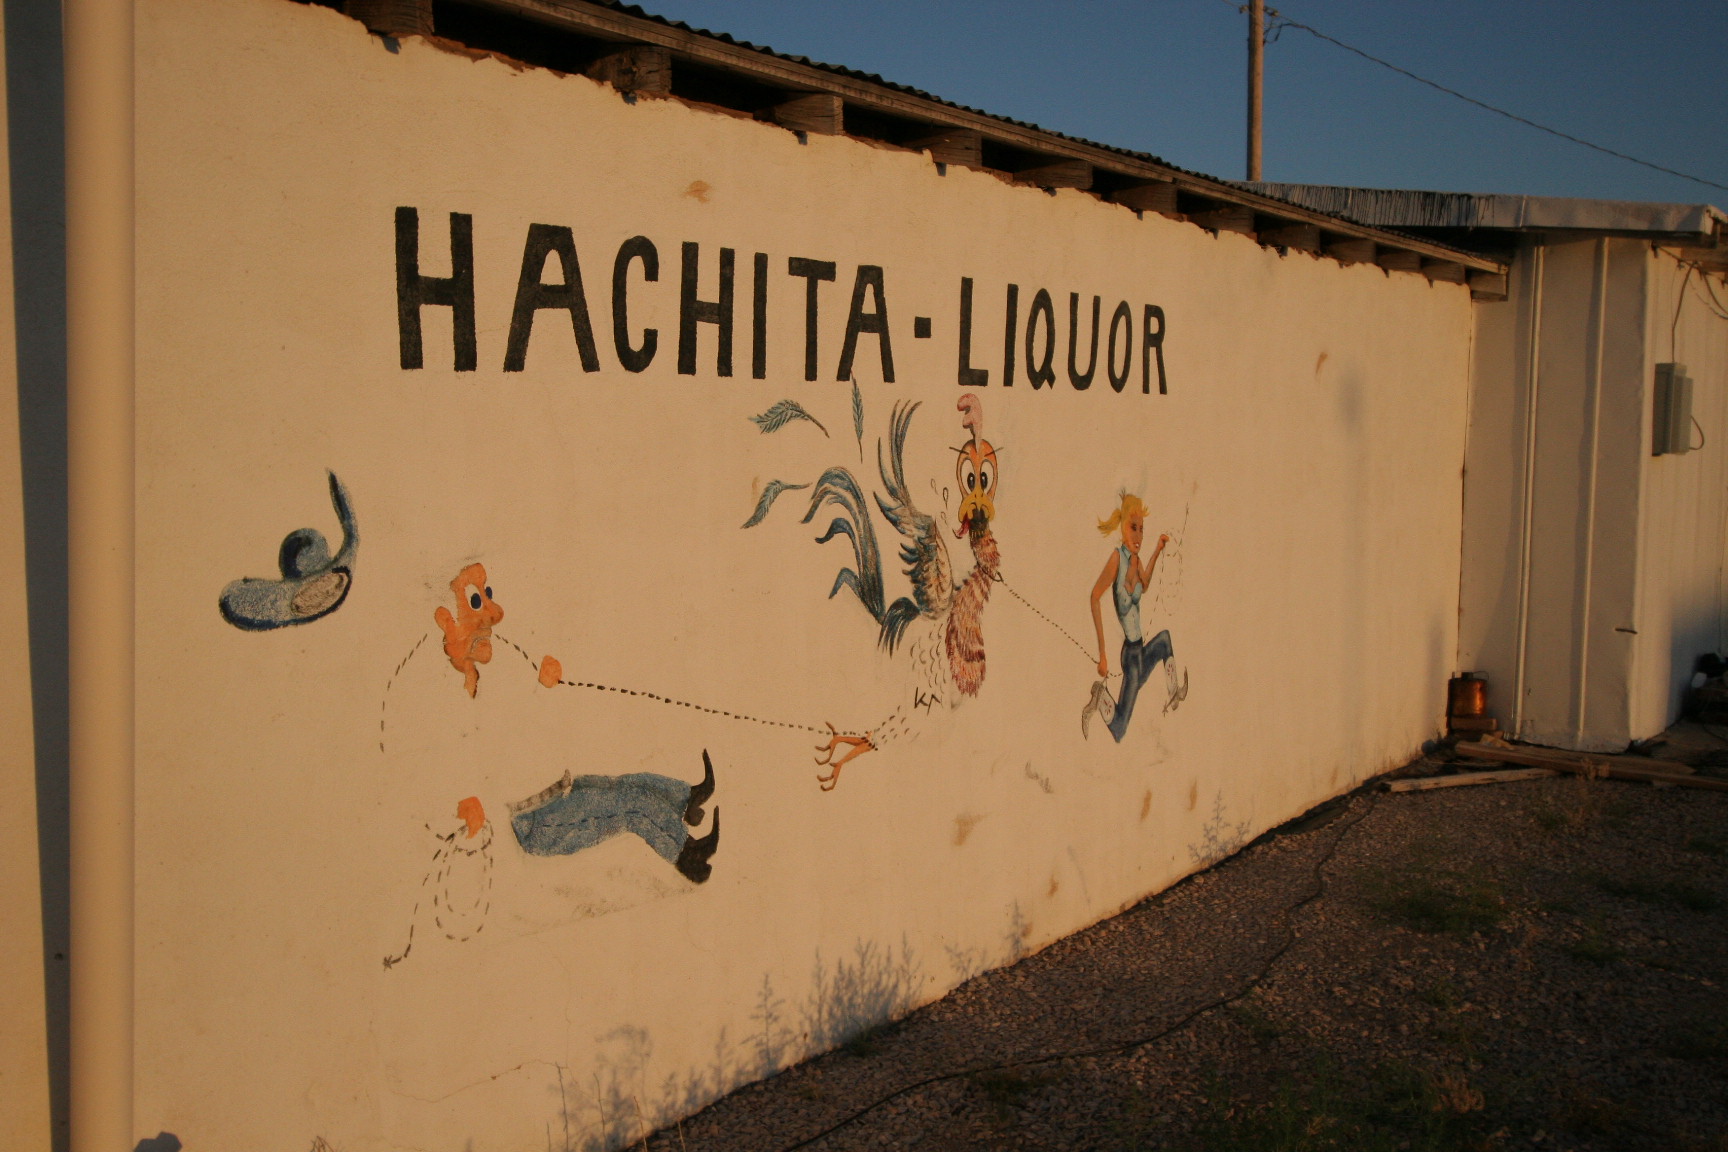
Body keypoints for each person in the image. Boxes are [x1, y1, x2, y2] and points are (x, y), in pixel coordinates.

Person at [1082, 492, 1186, 741]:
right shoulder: (1117, 559)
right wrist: (1103, 654)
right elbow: (1095, 597)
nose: (1138, 536)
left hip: (1141, 653)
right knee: (1119, 729)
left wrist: (1157, 550)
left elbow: (1145, 584)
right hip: (1131, 658)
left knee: (1164, 640)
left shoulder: (1136, 560)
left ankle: (1174, 691)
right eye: (1133, 528)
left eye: (1141, 529)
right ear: (1122, 528)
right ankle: (1100, 696)